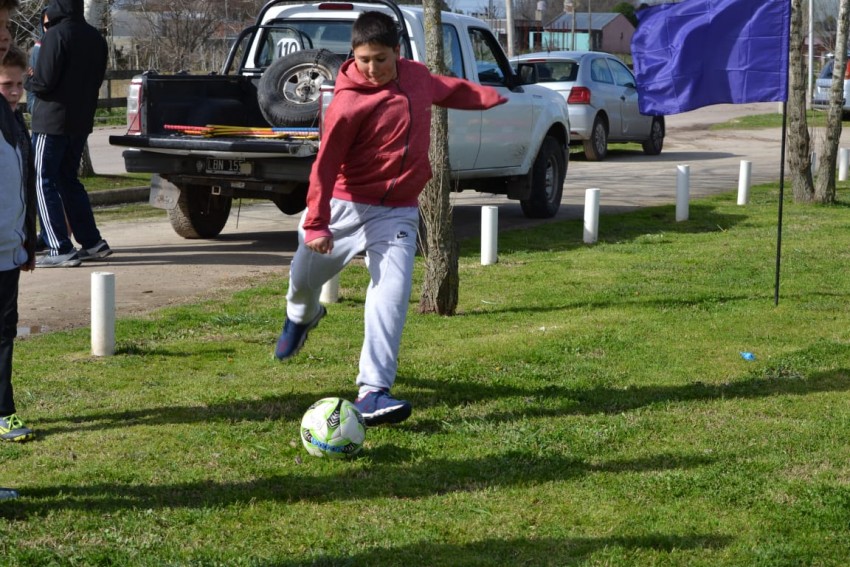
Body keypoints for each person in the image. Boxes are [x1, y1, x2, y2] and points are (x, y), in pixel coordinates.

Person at [274, 11, 507, 426]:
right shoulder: (347, 103)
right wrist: (317, 223)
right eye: (364, 59)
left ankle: (372, 391)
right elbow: (324, 167)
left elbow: (443, 88)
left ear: (397, 53)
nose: (372, 68)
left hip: (398, 209)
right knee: (303, 281)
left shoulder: (415, 76)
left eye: (380, 59)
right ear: (354, 54)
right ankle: (301, 316)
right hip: (345, 206)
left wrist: (483, 96)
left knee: (392, 295)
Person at [26, 0, 110, 268]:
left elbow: (44, 82)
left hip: (51, 121)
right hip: (80, 121)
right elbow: (96, 80)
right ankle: (92, 242)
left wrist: (27, 79)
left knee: (41, 179)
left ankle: (59, 246)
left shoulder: (55, 35)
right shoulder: (96, 38)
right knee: (68, 180)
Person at [0, 3, 36, 443]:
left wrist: (27, 241)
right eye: (6, 85)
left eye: (19, 85)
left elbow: (22, 187)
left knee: (4, 333)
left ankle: (3, 411)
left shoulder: (16, 125)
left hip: (9, 251)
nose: (14, 92)